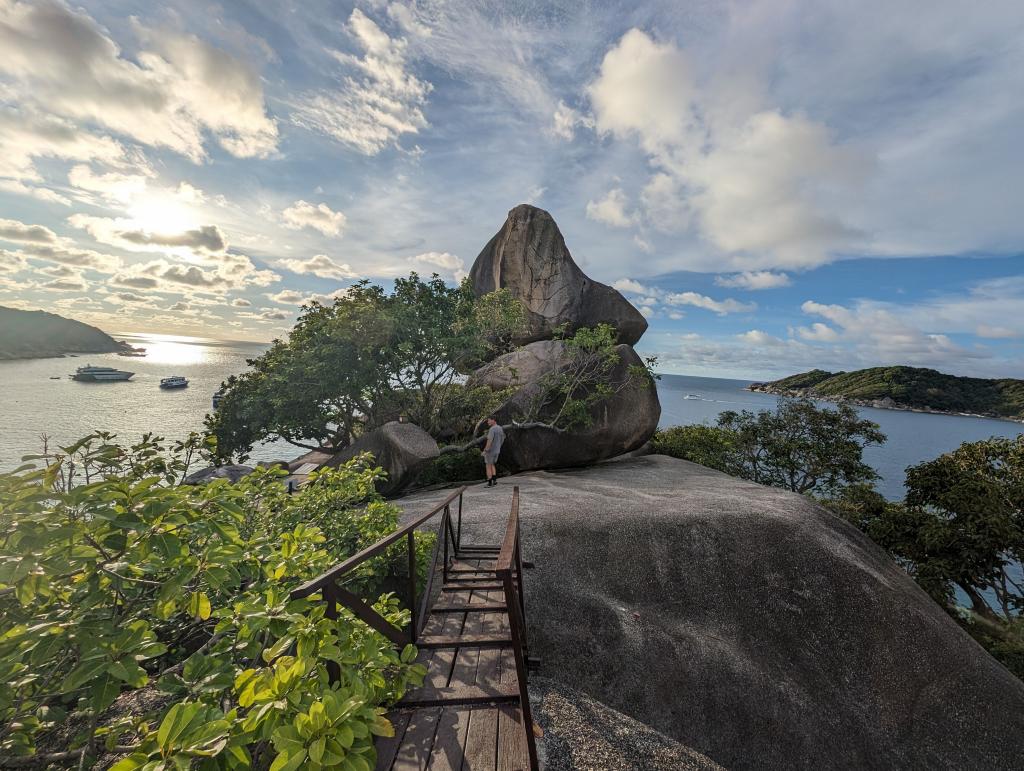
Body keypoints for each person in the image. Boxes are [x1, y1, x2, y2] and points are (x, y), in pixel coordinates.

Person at [482, 417, 505, 487]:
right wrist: (498, 447)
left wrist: (485, 451)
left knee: (488, 465)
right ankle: (494, 481)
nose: (488, 422)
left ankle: (489, 483)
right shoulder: (500, 428)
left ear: (493, 420)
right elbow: (502, 439)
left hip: (490, 451)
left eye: (489, 420)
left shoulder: (492, 429)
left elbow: (489, 441)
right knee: (492, 464)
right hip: (497, 450)